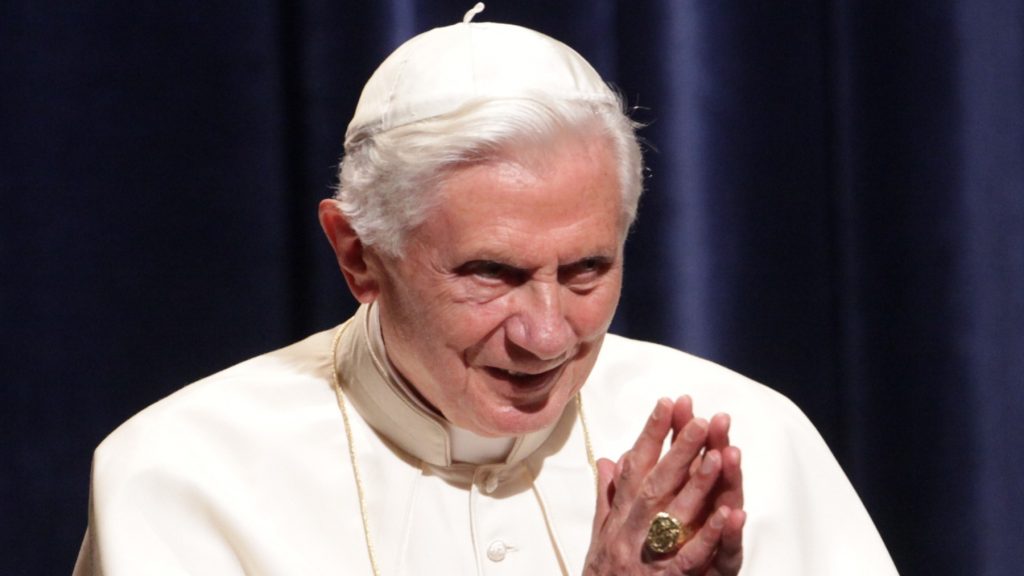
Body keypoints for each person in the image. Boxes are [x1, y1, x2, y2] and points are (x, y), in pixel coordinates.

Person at [74, 6, 898, 575]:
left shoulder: (749, 438)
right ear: (358, 255)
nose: (547, 335)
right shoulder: (182, 475)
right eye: (490, 274)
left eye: (586, 270)